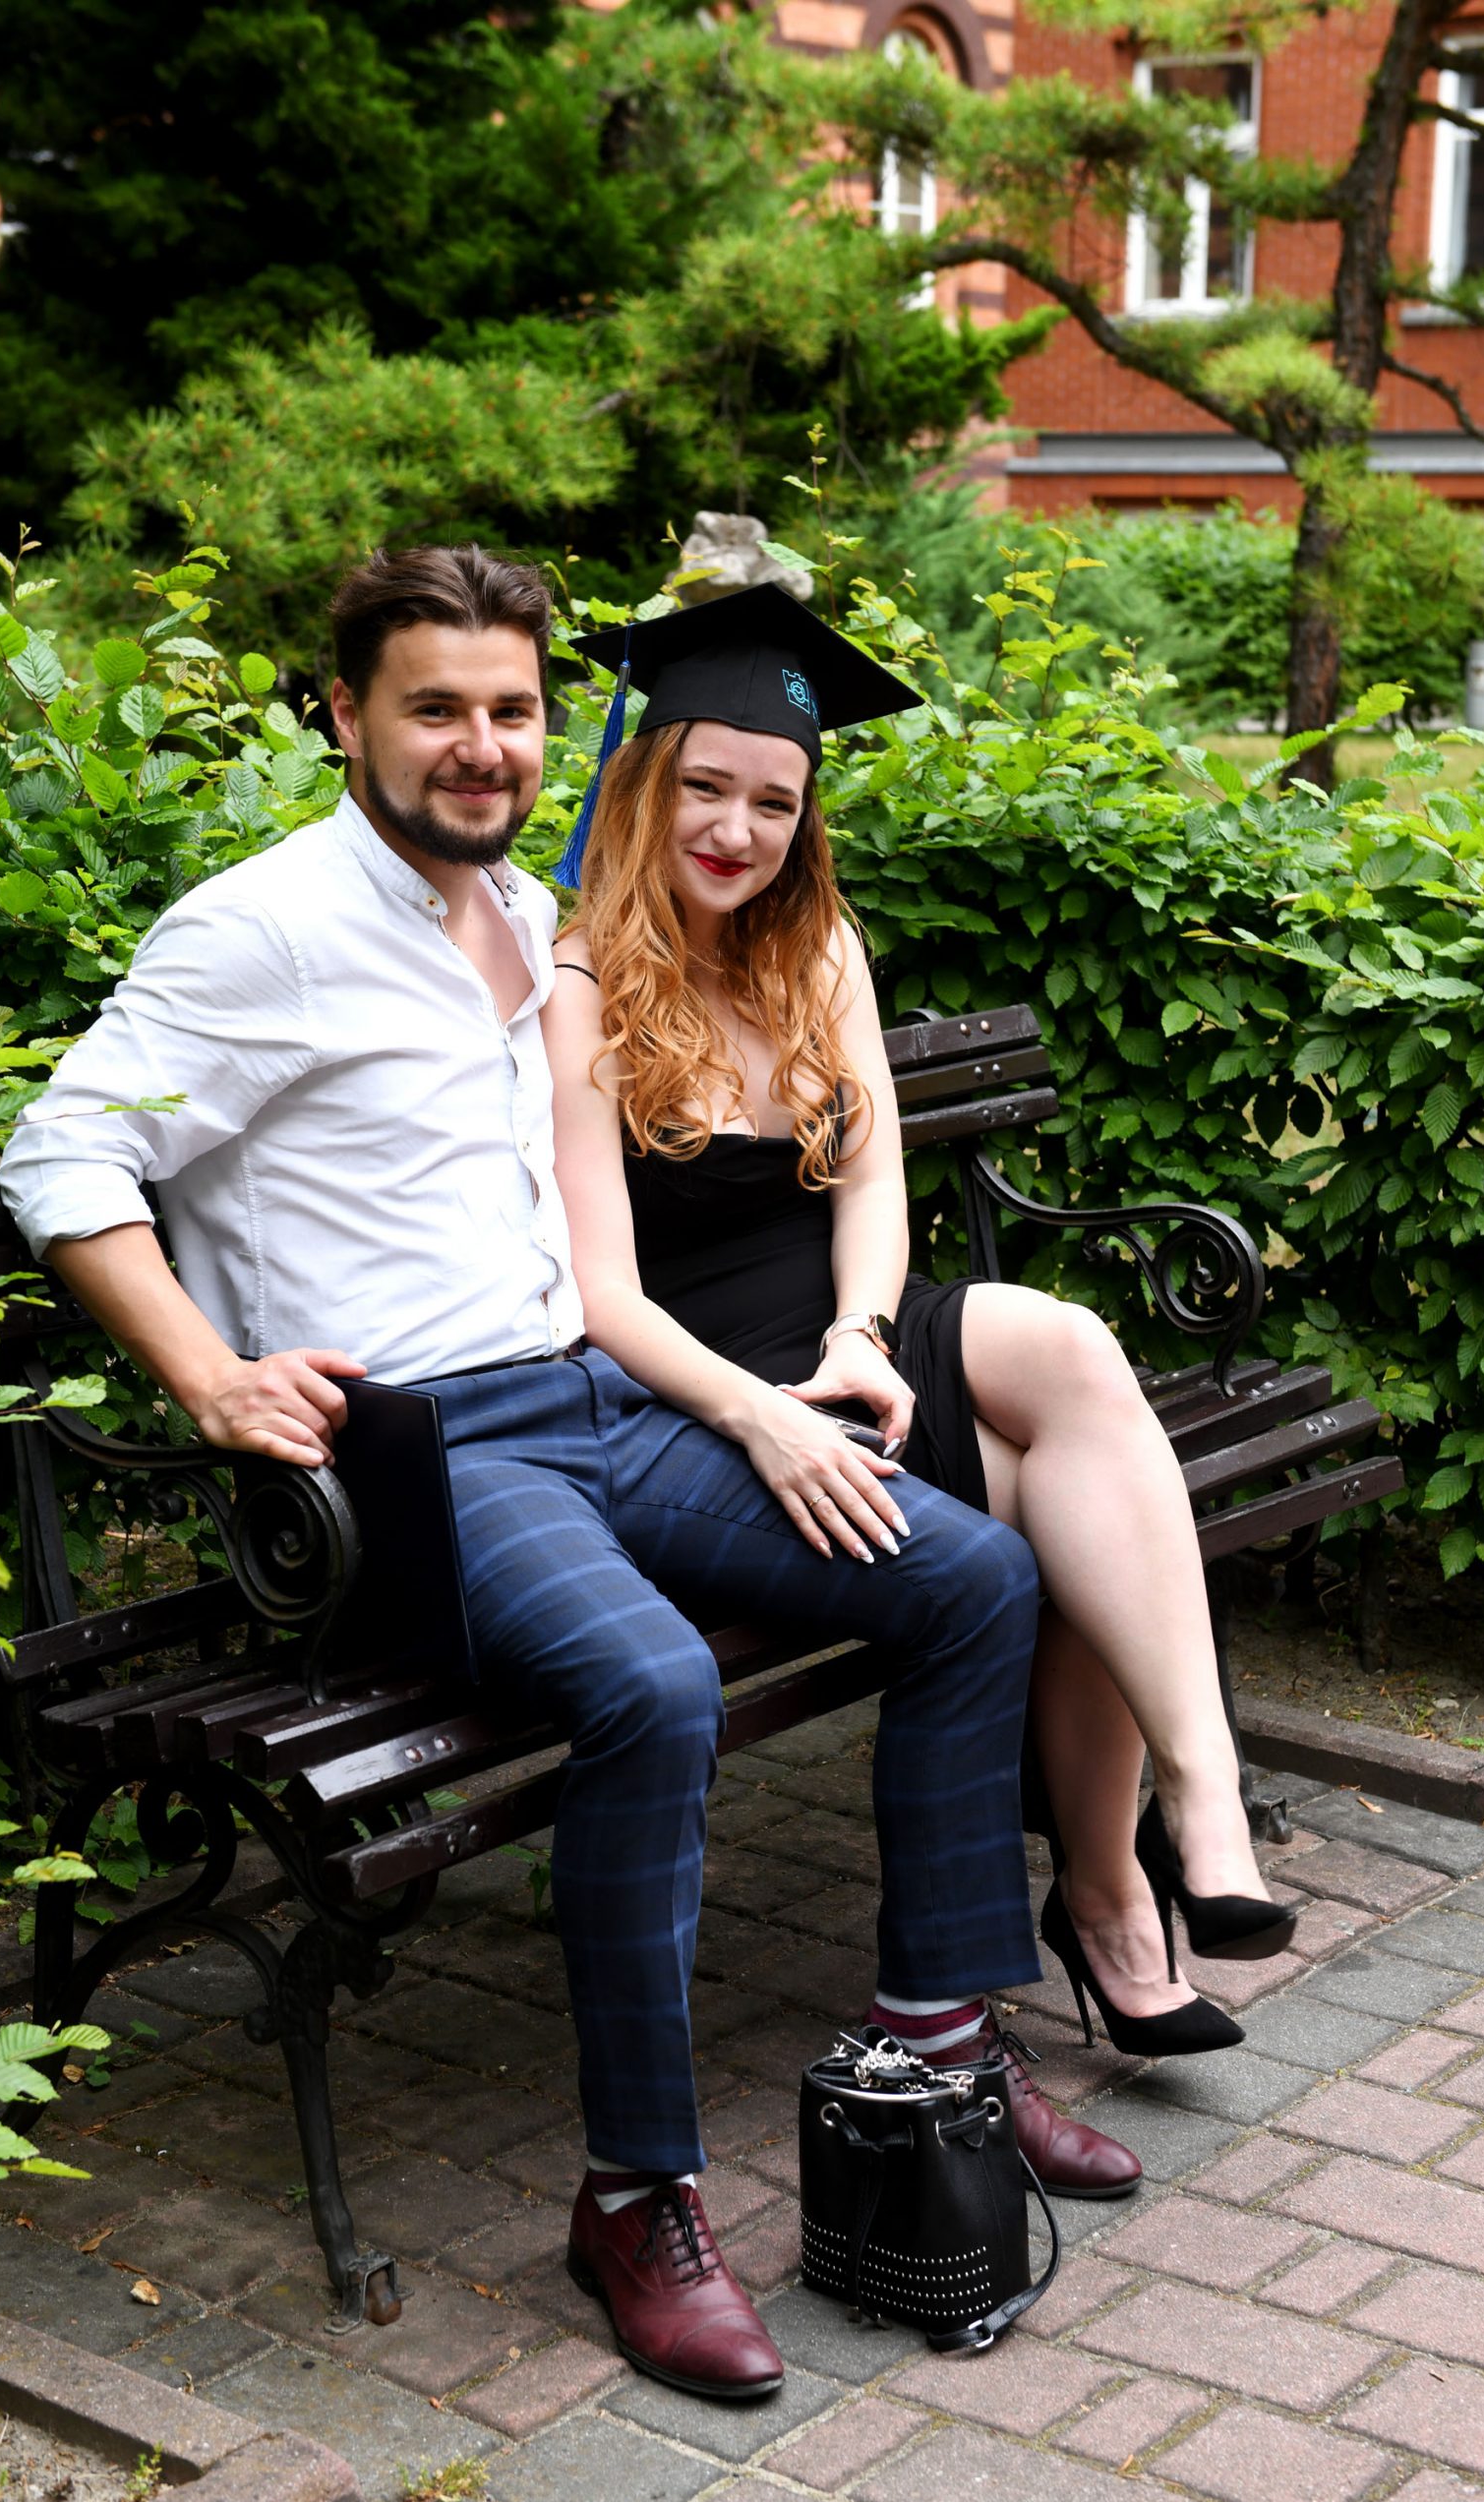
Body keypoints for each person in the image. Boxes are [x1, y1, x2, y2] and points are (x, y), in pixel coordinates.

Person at [0, 543, 1122, 2407]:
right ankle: (636, 2197)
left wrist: (775, 1380)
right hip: (419, 1456)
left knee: (971, 1577)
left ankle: (936, 2055)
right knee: (653, 1685)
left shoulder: (530, 915)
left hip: (590, 1405)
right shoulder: (260, 929)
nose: (481, 744)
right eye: (434, 707)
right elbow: (63, 1155)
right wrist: (206, 1373)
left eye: (511, 710)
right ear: (343, 713)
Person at [542, 583, 1297, 2079]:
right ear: (641, 787)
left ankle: (1198, 1799)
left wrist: (863, 1330)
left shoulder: (814, 945)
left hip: (841, 1341)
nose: (737, 830)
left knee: (1068, 1352)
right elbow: (599, 1297)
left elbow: (873, 1176)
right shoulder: (580, 991)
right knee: (1071, 1524)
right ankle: (1113, 1901)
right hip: (701, 1388)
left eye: (774, 801)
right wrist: (775, 1401)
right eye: (705, 787)